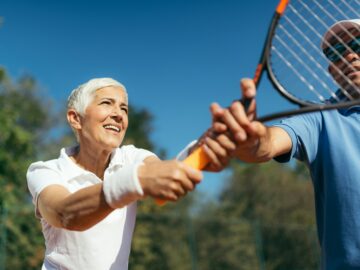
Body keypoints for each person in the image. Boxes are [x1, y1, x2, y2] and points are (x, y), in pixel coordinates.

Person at [26, 77, 234, 270]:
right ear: (75, 118)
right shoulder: (44, 171)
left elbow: (162, 180)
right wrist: (134, 180)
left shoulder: (133, 157)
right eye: (107, 103)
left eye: (124, 108)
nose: (119, 114)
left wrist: (203, 148)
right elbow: (64, 213)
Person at [210, 19, 360, 269]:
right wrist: (251, 140)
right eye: (336, 53)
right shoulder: (319, 118)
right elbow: (268, 142)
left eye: (357, 44)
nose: (350, 56)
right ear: (332, 71)